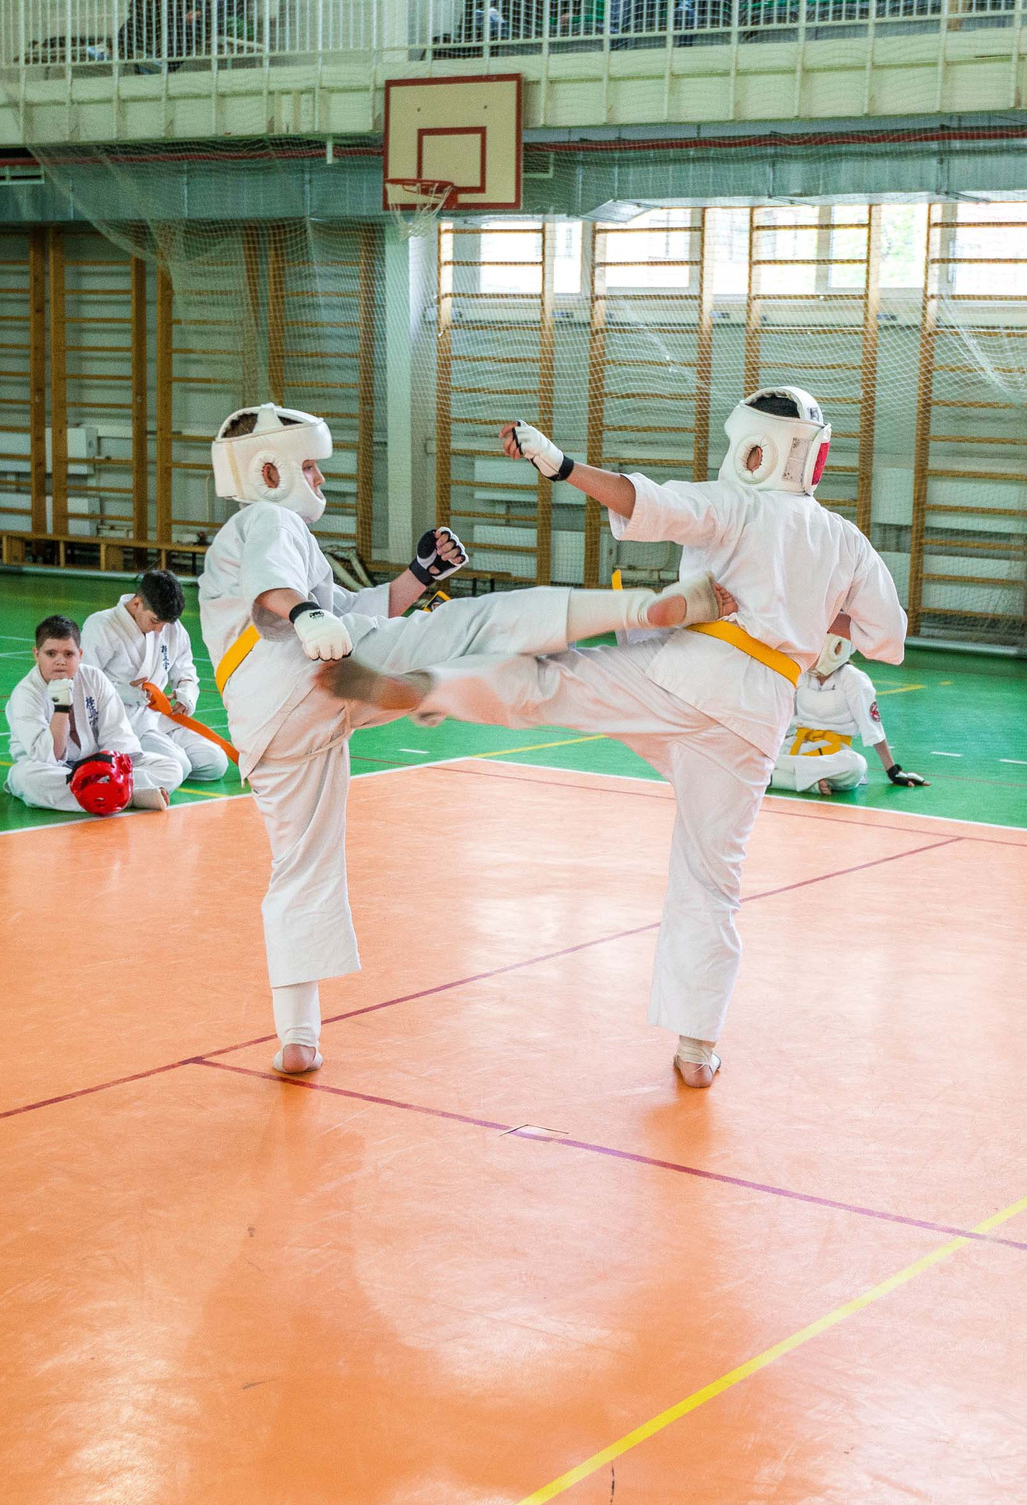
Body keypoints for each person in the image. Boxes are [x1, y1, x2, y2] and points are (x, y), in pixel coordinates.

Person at [321, 386, 910, 1090]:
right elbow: (888, 636)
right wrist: (801, 613)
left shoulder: (737, 504)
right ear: (809, 452)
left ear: (752, 444)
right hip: (759, 716)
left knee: (554, 684)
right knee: (711, 880)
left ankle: (436, 686)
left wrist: (562, 466)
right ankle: (697, 1049)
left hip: (686, 674)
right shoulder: (846, 541)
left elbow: (647, 503)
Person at [199, 402, 732, 1076]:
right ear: (268, 470)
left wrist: (416, 577)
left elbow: (350, 614)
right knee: (483, 625)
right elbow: (278, 593)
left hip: (273, 724)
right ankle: (640, 606)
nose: (318, 478)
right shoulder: (265, 519)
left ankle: (298, 1038)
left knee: (299, 869)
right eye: (307, 465)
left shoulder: (250, 539)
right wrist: (304, 612)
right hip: (307, 668)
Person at [5, 615, 181, 815]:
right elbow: (49, 756)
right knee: (26, 779)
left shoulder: (94, 678)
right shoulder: (26, 694)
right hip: (57, 772)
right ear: (37, 655)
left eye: (68, 654)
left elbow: (117, 735)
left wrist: (106, 770)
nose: (60, 662)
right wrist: (61, 706)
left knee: (171, 767)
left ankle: (105, 792)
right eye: (51, 654)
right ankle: (128, 796)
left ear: (80, 654)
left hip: (100, 766)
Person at [82, 570, 229, 786]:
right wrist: (127, 692)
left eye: (166, 623)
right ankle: (113, 767)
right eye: (155, 621)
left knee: (215, 762)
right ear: (137, 604)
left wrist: (186, 695)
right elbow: (86, 683)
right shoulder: (102, 625)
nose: (160, 629)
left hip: (160, 717)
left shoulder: (171, 627)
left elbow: (185, 670)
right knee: (180, 765)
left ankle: (160, 765)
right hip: (124, 721)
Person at [768, 636, 927, 795]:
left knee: (856, 766)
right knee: (757, 751)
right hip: (797, 747)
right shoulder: (801, 674)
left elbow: (872, 726)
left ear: (836, 649)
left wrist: (892, 770)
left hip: (834, 756)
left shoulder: (854, 679)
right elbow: (784, 717)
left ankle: (774, 774)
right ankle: (811, 784)